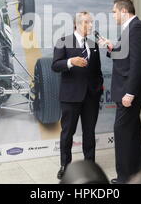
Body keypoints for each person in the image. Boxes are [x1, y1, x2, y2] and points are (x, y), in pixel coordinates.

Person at [98, 0, 141, 183]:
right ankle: (135, 174)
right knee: (131, 133)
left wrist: (130, 93)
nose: (113, 15)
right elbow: (126, 55)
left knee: (122, 133)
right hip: (127, 90)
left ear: (123, 11)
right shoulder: (130, 29)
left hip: (128, 92)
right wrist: (111, 46)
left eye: (114, 12)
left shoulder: (136, 28)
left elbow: (137, 64)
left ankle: (124, 178)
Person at [52, 11, 104, 180]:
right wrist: (70, 62)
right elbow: (55, 66)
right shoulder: (64, 41)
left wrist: (98, 89)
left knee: (89, 132)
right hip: (70, 96)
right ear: (77, 24)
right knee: (68, 133)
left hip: (91, 96)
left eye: (91, 22)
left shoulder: (93, 44)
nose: (90, 25)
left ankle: (90, 165)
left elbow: (97, 71)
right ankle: (65, 166)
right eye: (87, 22)